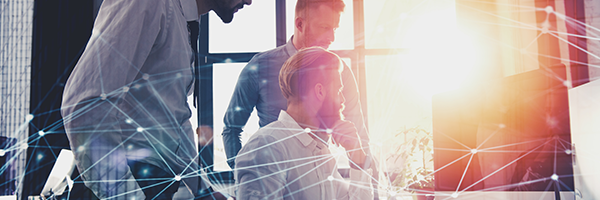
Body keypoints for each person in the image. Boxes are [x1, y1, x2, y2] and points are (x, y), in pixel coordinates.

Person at [61, 0, 251, 199]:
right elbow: (86, 104)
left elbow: (173, 120)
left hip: (154, 182)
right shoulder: (148, 3)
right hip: (130, 179)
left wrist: (203, 190)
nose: (249, 1)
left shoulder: (180, 20)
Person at [222, 0, 372, 170]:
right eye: (324, 27)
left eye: (334, 29)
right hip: (274, 186)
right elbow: (231, 129)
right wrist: (246, 176)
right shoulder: (260, 68)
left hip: (320, 185)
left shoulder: (341, 72)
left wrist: (369, 188)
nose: (332, 38)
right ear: (300, 24)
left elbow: (358, 133)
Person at [235, 47, 373, 199]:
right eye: (338, 90)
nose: (343, 100)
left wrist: (357, 155)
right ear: (320, 91)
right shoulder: (266, 146)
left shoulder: (321, 153)